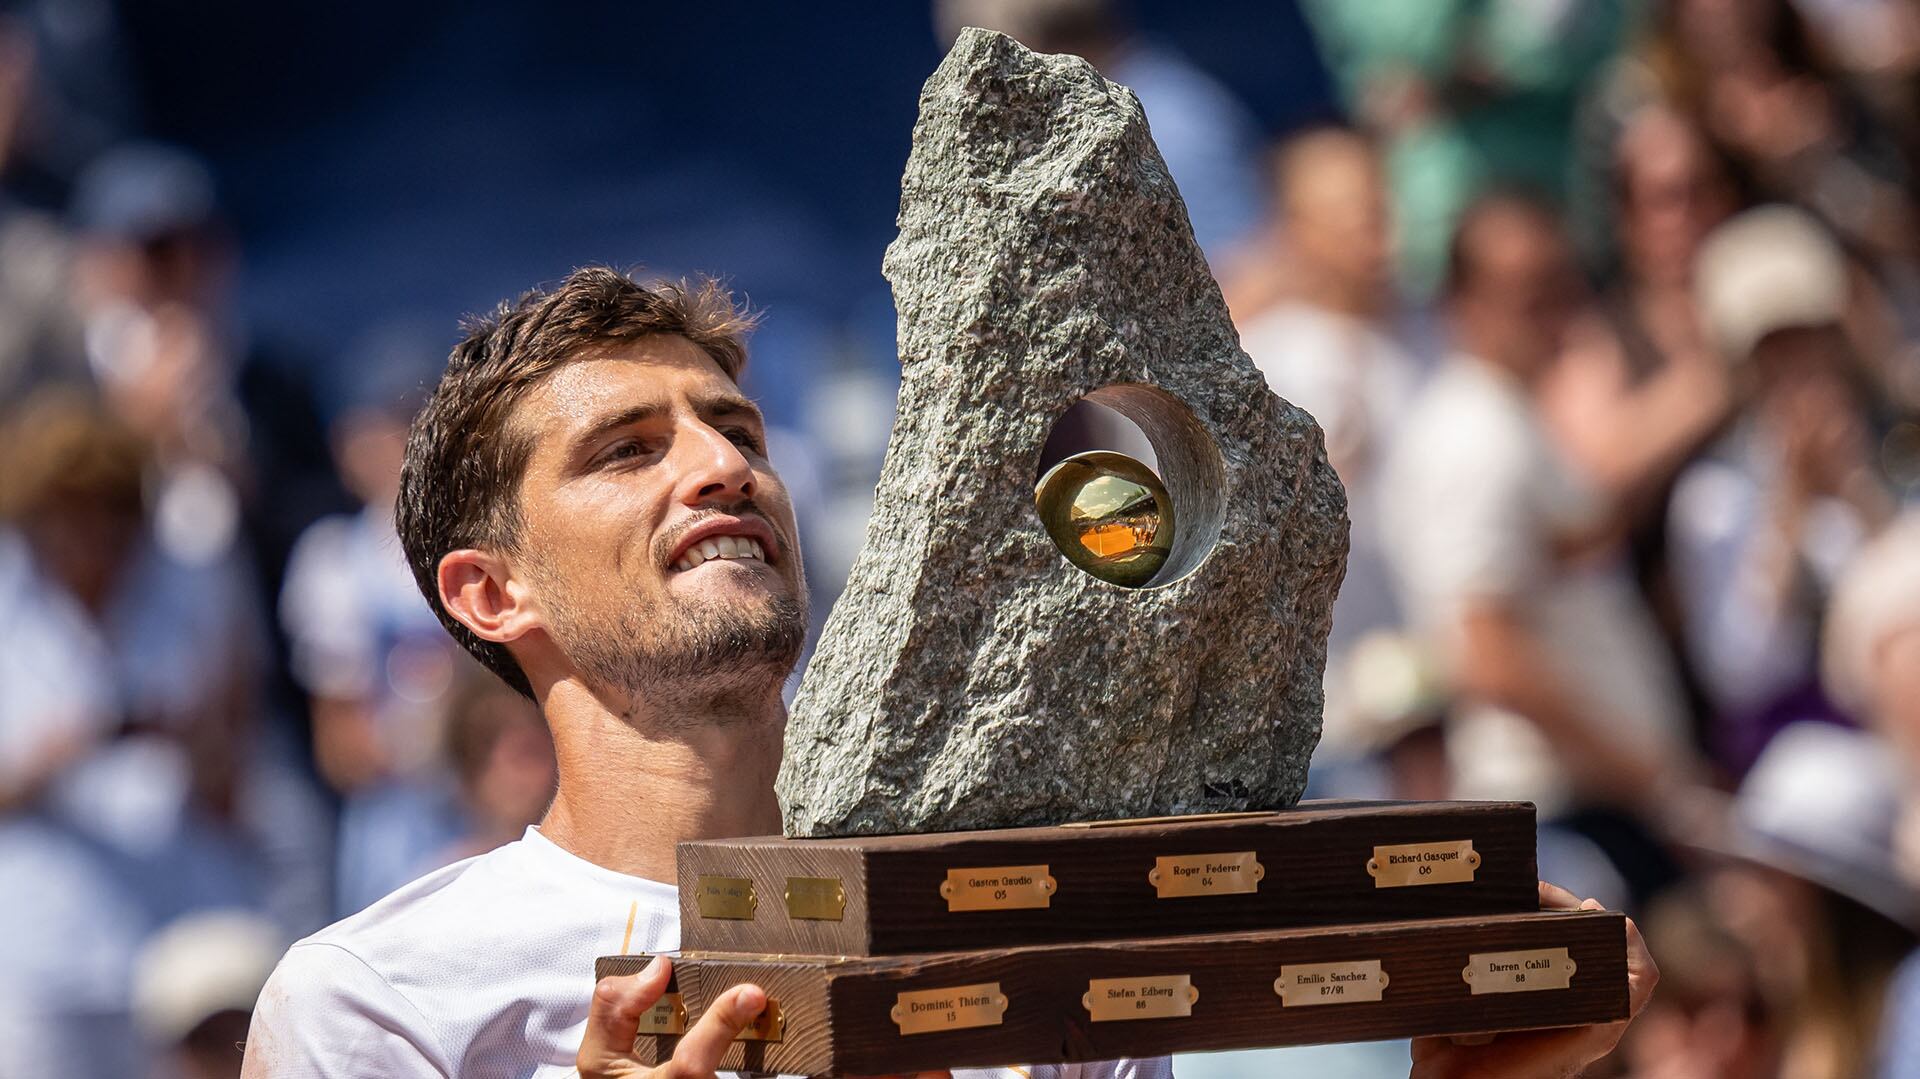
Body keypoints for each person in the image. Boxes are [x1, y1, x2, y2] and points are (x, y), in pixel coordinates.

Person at [242, 267, 1654, 1078]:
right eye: (629, 448)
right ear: (492, 592)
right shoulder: (379, 999)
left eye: (737, 428)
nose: (722, 464)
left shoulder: (1020, 910)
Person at [1381, 192, 1711, 901]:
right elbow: (1488, 655)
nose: (1555, 310)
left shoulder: (1509, 419)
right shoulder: (1474, 437)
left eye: (1563, 283)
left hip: (1592, 805)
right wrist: (1652, 778)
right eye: (1527, 292)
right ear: (1461, 304)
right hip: (1563, 815)